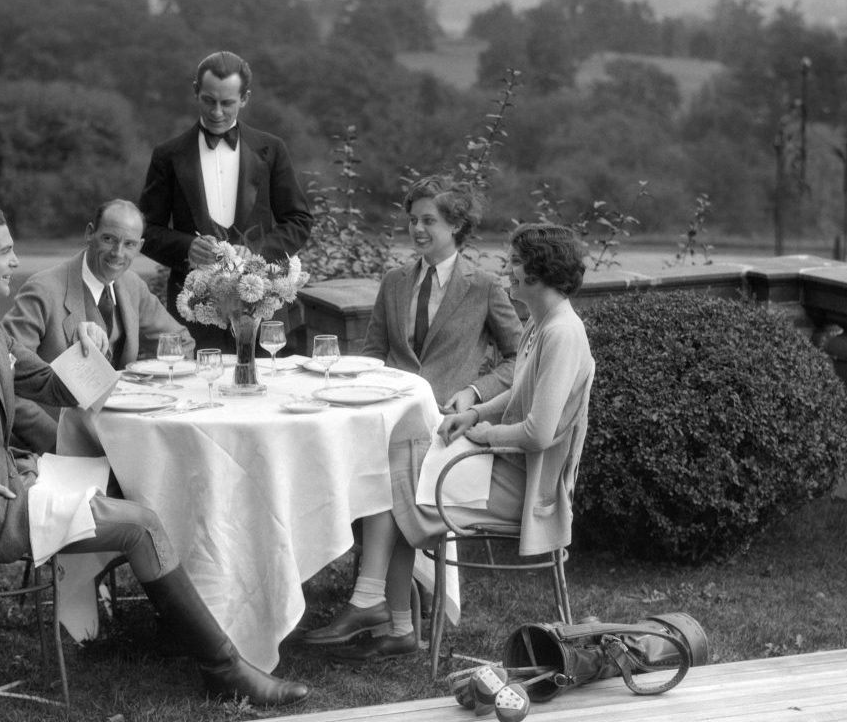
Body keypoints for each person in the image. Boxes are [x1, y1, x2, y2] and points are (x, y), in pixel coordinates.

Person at [0, 201, 309, 707]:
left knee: (137, 488)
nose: (15, 261)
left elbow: (47, 384)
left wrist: (85, 350)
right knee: (141, 522)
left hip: (18, 481)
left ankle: (204, 634)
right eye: (6, 252)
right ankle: (226, 670)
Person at [302, 223, 594, 662]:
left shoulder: (562, 333)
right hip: (504, 466)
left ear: (538, 271)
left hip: (527, 485)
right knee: (396, 461)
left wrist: (483, 434)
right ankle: (389, 619)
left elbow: (538, 433)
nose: (508, 270)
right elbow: (518, 392)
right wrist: (474, 412)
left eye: (515, 262)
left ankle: (378, 608)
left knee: (394, 472)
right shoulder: (542, 322)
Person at [138, 50, 313, 350]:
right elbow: (145, 230)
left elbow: (299, 221)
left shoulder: (272, 150)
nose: (217, 112)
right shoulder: (167, 156)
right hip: (193, 312)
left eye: (227, 103)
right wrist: (186, 248)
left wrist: (257, 252)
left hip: (262, 307)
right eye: (209, 100)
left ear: (244, 98)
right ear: (196, 91)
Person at [2, 199, 193, 454]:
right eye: (109, 239)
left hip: (125, 438)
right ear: (89, 233)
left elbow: (180, 342)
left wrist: (148, 381)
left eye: (129, 244)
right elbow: (4, 376)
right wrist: (56, 441)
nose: (118, 253)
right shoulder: (43, 290)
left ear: (140, 247)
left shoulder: (132, 285)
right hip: (56, 447)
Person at [360, 175, 522, 410]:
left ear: (455, 224)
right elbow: (373, 353)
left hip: (446, 418)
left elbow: (522, 358)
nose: (417, 229)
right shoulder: (393, 281)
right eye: (413, 220)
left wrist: (474, 392)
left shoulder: (484, 286)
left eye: (428, 220)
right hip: (387, 411)